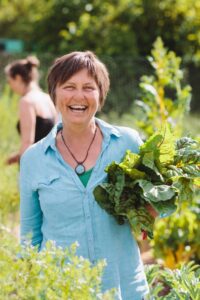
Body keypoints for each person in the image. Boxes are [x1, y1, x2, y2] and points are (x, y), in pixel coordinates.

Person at [20, 51, 155, 299]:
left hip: (124, 289)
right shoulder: (33, 159)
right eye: (69, 86)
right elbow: (30, 236)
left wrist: (152, 208)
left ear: (100, 95)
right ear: (54, 93)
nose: (78, 96)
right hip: (62, 291)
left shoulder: (127, 143)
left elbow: (155, 205)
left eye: (88, 87)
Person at [5, 56, 57, 165]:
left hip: (36, 166)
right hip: (52, 163)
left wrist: (23, 170)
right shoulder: (47, 99)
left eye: (9, 81)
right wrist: (17, 156)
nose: (10, 86)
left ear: (18, 78)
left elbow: (28, 142)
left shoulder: (27, 101)